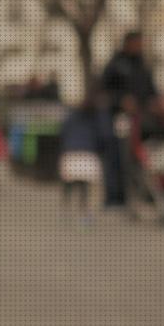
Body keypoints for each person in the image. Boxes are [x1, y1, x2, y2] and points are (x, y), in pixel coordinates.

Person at [100, 31, 159, 206]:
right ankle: (116, 196)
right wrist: (121, 100)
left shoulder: (143, 65)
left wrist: (155, 103)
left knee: (141, 158)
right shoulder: (115, 64)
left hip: (143, 120)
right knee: (119, 155)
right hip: (121, 118)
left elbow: (151, 91)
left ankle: (143, 195)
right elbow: (105, 90)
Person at [57, 91, 111, 226]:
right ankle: (85, 214)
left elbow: (63, 131)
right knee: (87, 187)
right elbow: (105, 135)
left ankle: (66, 211)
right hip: (88, 155)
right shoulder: (99, 116)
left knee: (69, 185)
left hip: (70, 153)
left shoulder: (71, 115)